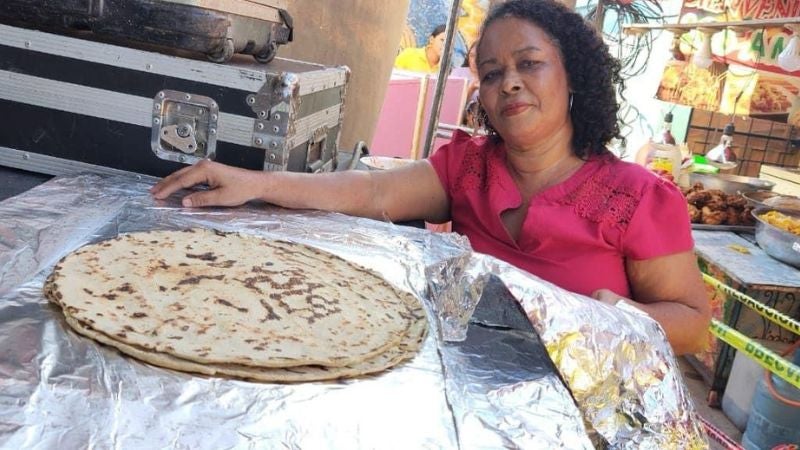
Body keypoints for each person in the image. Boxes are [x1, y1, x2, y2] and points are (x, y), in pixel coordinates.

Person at [152, 0, 710, 355]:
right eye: (491, 73)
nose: (509, 83)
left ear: (574, 78)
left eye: (529, 63)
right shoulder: (468, 167)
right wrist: (256, 183)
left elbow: (692, 326)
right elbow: (373, 190)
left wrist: (606, 315)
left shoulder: (637, 197)